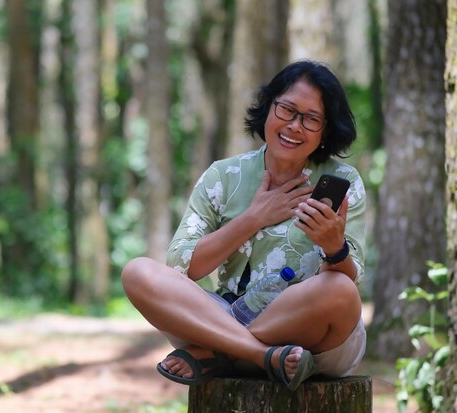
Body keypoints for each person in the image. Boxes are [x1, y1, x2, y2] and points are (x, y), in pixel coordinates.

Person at [122, 60, 367, 390]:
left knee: (339, 290)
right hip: (230, 315)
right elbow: (184, 266)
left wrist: (335, 248)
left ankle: (216, 352)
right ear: (268, 108)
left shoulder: (343, 181)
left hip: (313, 339)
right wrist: (254, 218)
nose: (295, 126)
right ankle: (260, 354)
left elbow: (351, 282)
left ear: (326, 131)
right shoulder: (224, 176)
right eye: (287, 110)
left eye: (311, 119)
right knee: (138, 272)